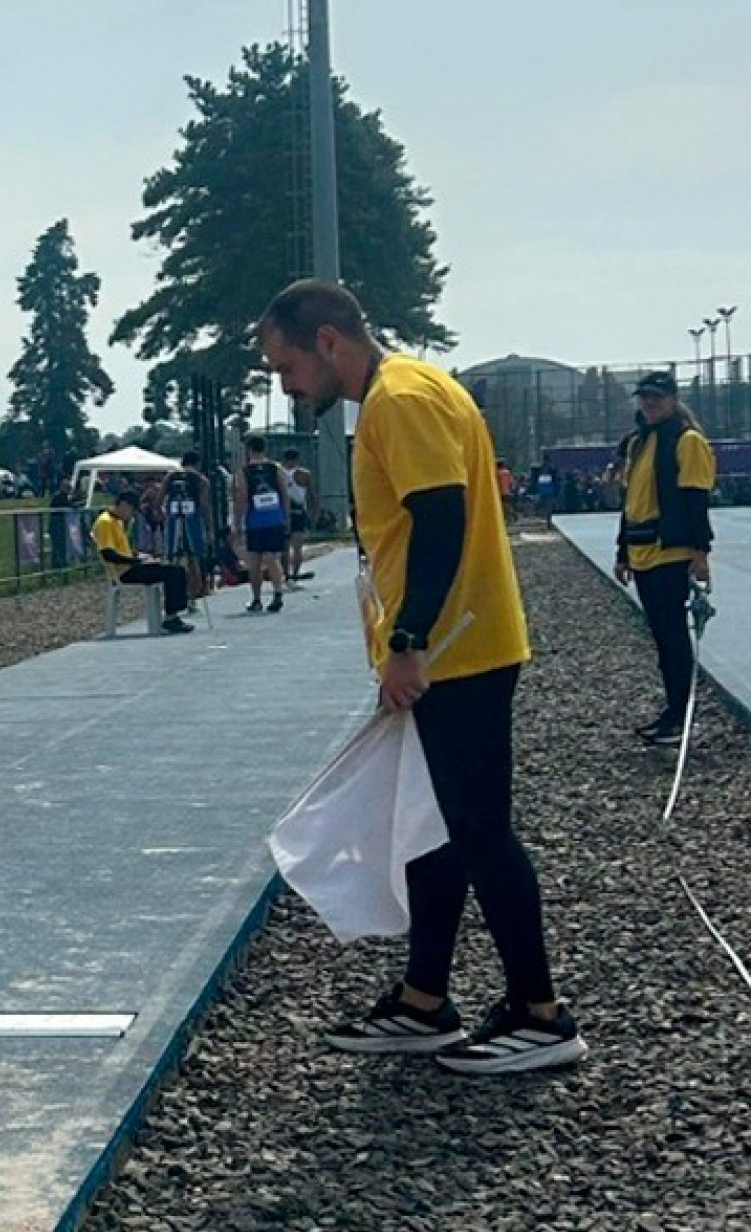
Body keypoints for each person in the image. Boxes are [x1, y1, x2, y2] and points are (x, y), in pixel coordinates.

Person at [258, 278, 584, 1075]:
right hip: (454, 648)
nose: (285, 385)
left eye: (286, 366)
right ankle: (425, 997)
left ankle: (542, 1012)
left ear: (327, 341)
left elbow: (441, 518)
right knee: (435, 827)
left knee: (479, 827)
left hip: (455, 652)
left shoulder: (400, 399)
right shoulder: (406, 390)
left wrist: (409, 640)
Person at [611, 369, 714, 745]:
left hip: (670, 551)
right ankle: (672, 711)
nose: (650, 404)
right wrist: (622, 552)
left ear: (673, 400)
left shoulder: (687, 441)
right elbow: (631, 503)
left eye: (657, 397)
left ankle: (679, 716)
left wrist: (700, 553)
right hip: (641, 551)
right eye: (645, 398)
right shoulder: (638, 442)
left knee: (672, 635)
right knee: (661, 635)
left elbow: (695, 499)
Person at [92, 491, 194, 634]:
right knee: (174, 572)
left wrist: (142, 557)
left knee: (174, 569)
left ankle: (174, 613)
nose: (132, 515)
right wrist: (136, 561)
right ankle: (171, 617)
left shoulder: (117, 522)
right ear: (123, 505)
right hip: (123, 572)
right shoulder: (105, 522)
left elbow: (121, 550)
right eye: (132, 510)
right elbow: (108, 554)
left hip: (129, 567)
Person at [234, 436, 290, 613]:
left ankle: (257, 599)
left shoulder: (244, 472)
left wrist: (237, 521)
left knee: (255, 561)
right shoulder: (276, 468)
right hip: (275, 518)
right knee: (272, 557)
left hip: (254, 520)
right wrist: (286, 516)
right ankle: (278, 592)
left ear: (249, 450)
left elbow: (241, 497)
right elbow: (284, 493)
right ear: (265, 449)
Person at [163, 451, 213, 597]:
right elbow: (204, 505)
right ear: (197, 464)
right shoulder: (201, 479)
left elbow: (159, 499)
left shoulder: (170, 477)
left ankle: (173, 592)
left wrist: (163, 513)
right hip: (193, 520)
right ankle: (196, 592)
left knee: (173, 557)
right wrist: (209, 528)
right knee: (194, 556)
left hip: (173, 520)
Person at [281, 447, 316, 583]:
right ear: (297, 459)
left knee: (285, 546)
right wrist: (314, 512)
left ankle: (287, 574)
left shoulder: (280, 473)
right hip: (298, 511)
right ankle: (294, 573)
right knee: (297, 546)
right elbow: (311, 494)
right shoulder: (304, 474)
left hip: (284, 511)